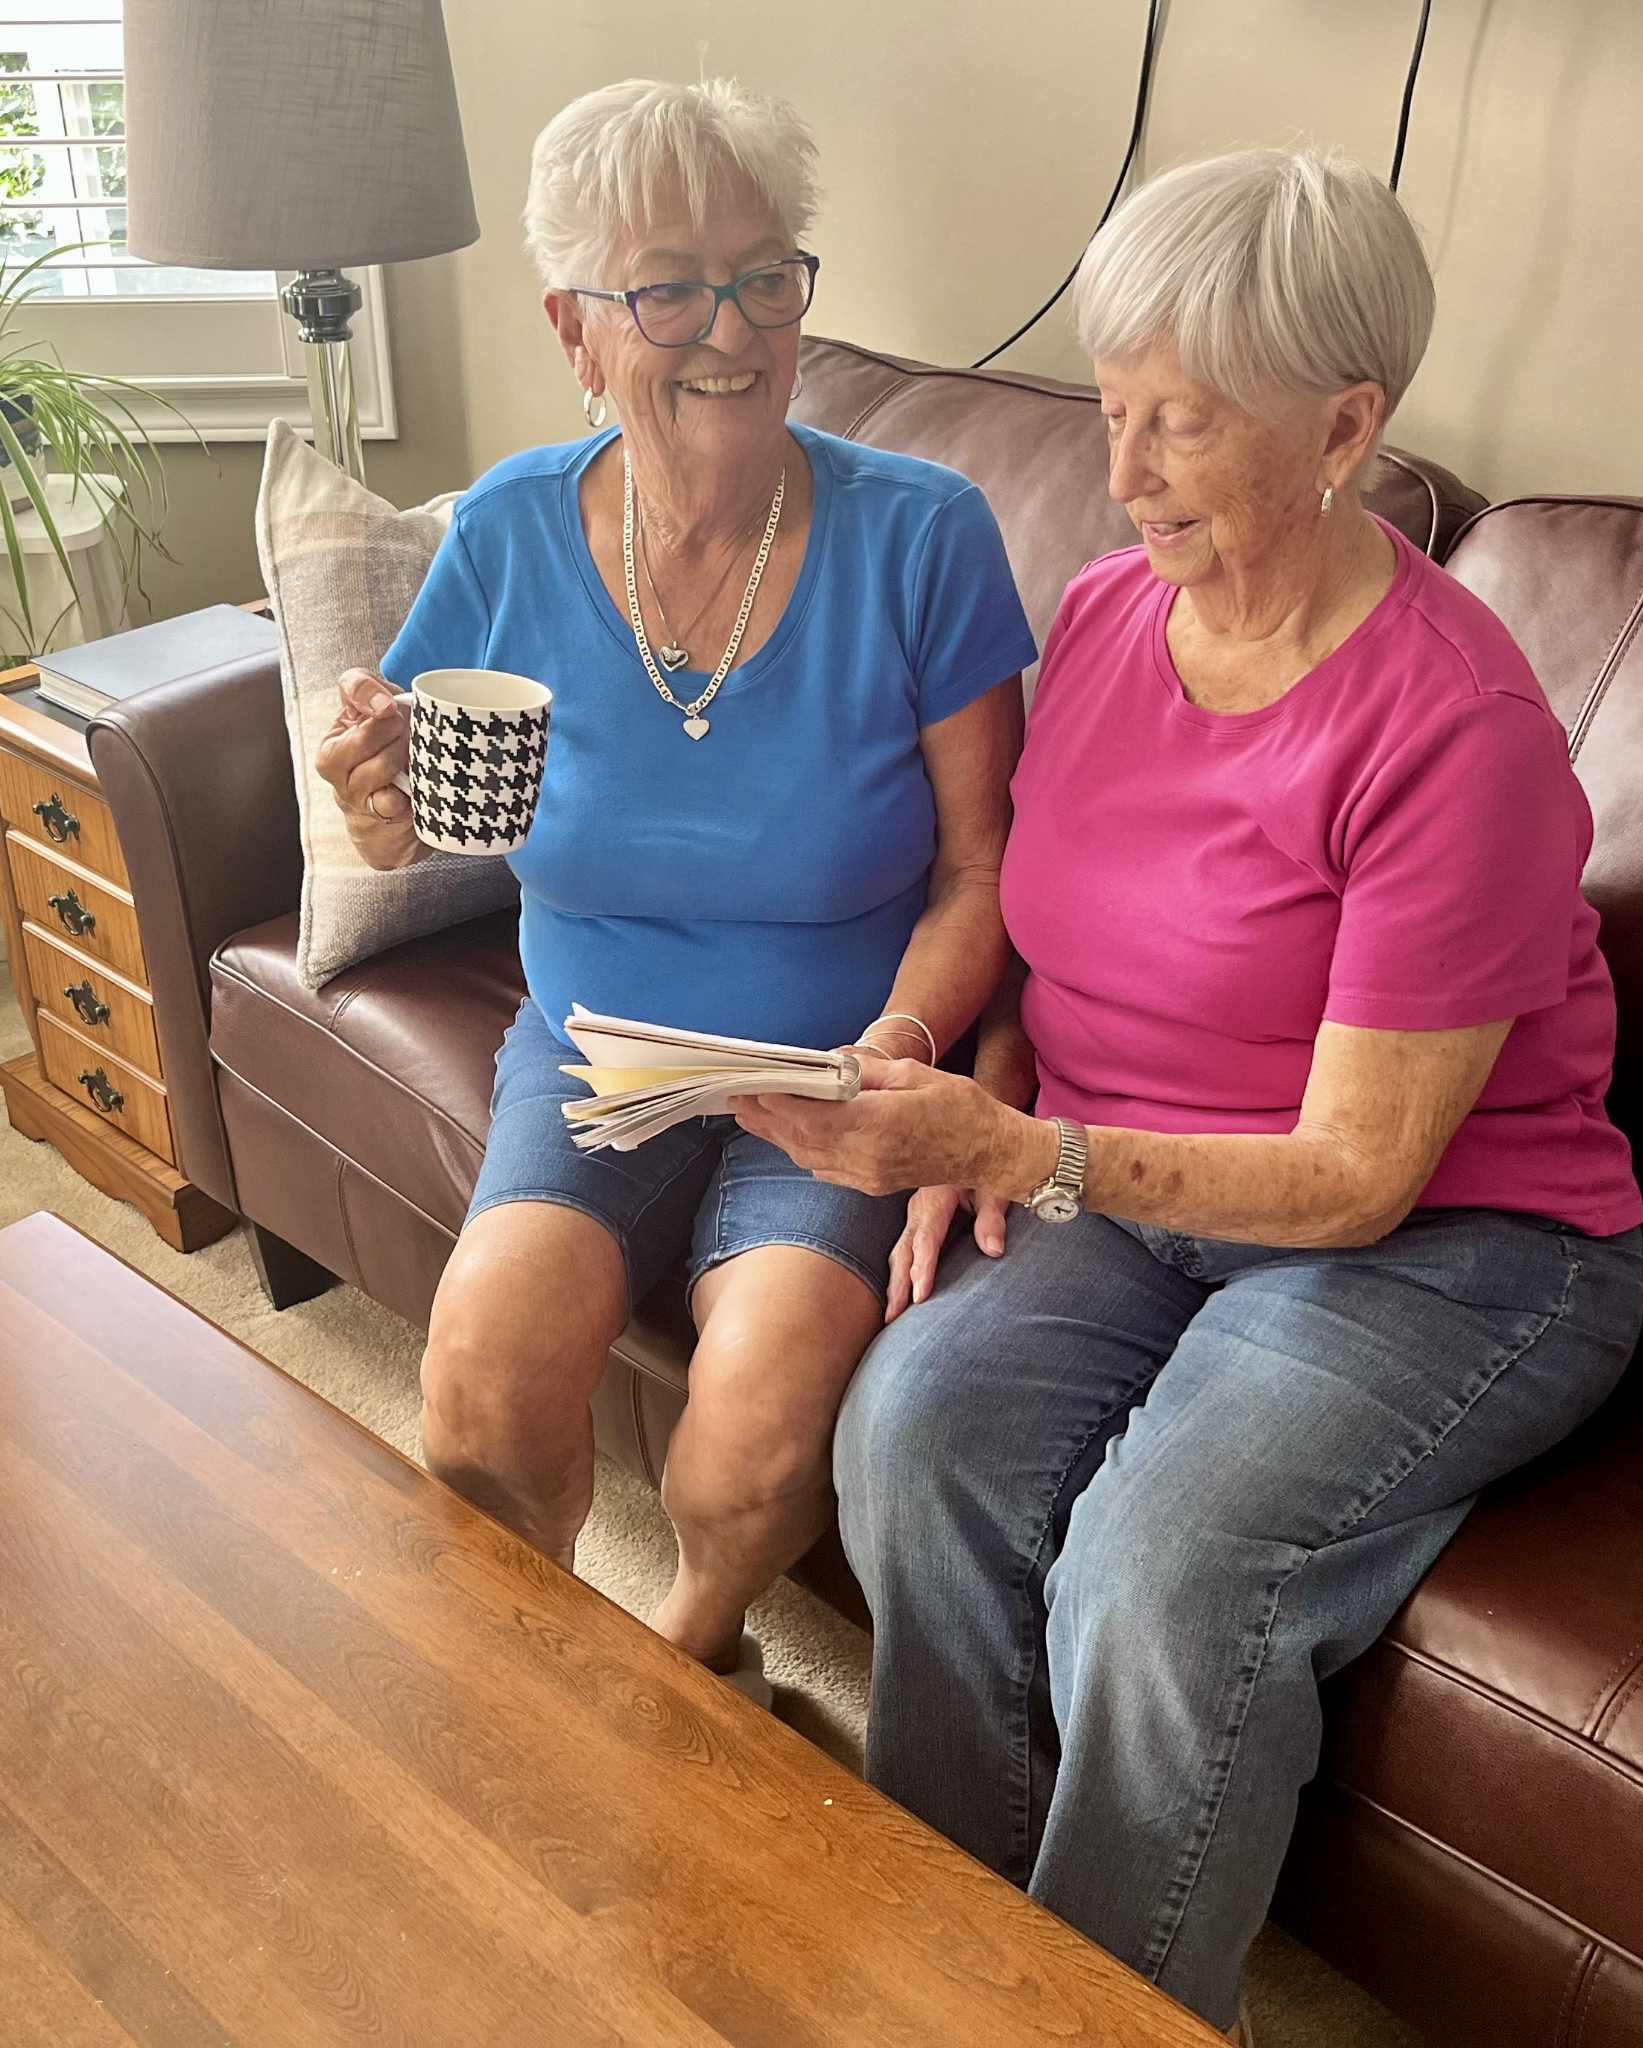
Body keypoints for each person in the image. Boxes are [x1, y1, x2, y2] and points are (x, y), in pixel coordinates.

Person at [732, 145, 1643, 2029]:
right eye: (1114, 407)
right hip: (1131, 1185)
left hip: (1451, 1243)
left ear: (1346, 423)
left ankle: (1106, 2011)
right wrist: (964, 1091)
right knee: (912, 1426)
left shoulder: (1456, 732)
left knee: (1162, 1567)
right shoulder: (1102, 619)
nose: (1125, 470)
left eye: (1184, 426)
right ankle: (948, 1952)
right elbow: (1053, 940)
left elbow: (1363, 1173)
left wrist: (1030, 1149)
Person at [313, 78, 1033, 1701]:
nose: (731, 327)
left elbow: (987, 865)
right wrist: (374, 810)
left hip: (833, 1072)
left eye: (764, 273)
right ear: (576, 327)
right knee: (478, 1406)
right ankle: (554, 1701)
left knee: (751, 1455)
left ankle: (682, 1677)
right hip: (590, 1055)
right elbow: (418, 810)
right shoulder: (505, 531)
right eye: (669, 287)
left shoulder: (925, 537)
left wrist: (903, 1050)